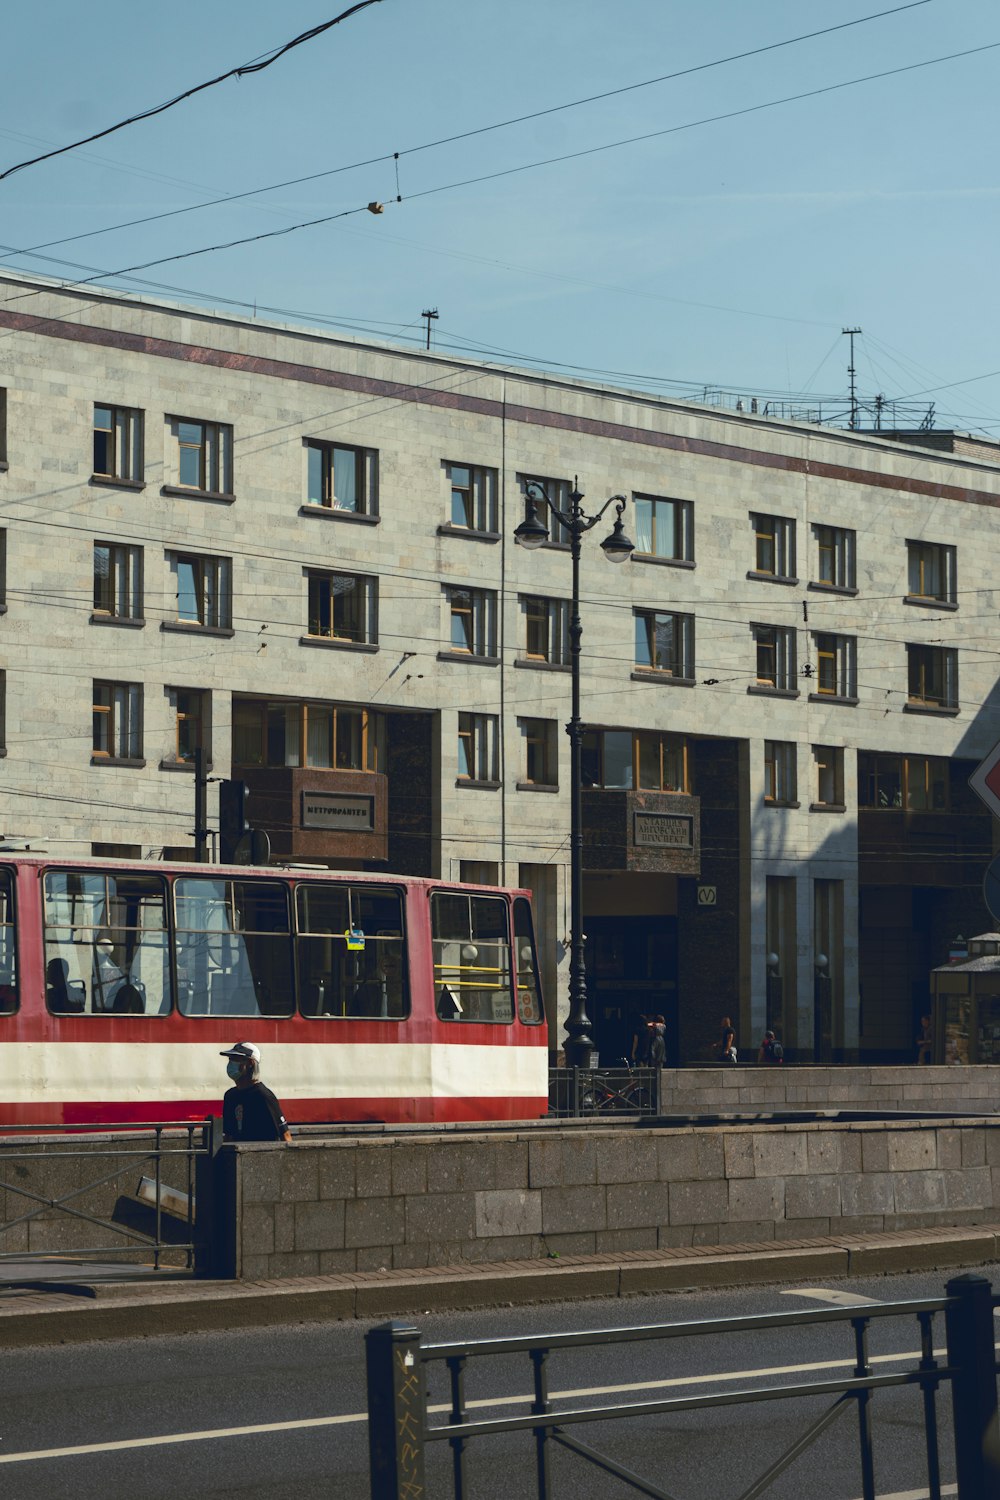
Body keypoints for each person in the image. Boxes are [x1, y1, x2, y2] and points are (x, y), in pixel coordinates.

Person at [221, 1041, 292, 1143]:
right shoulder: (230, 1096)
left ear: (250, 1063)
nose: (231, 1064)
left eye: (236, 1059)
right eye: (230, 1059)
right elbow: (228, 1136)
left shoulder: (263, 1096)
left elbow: (285, 1135)